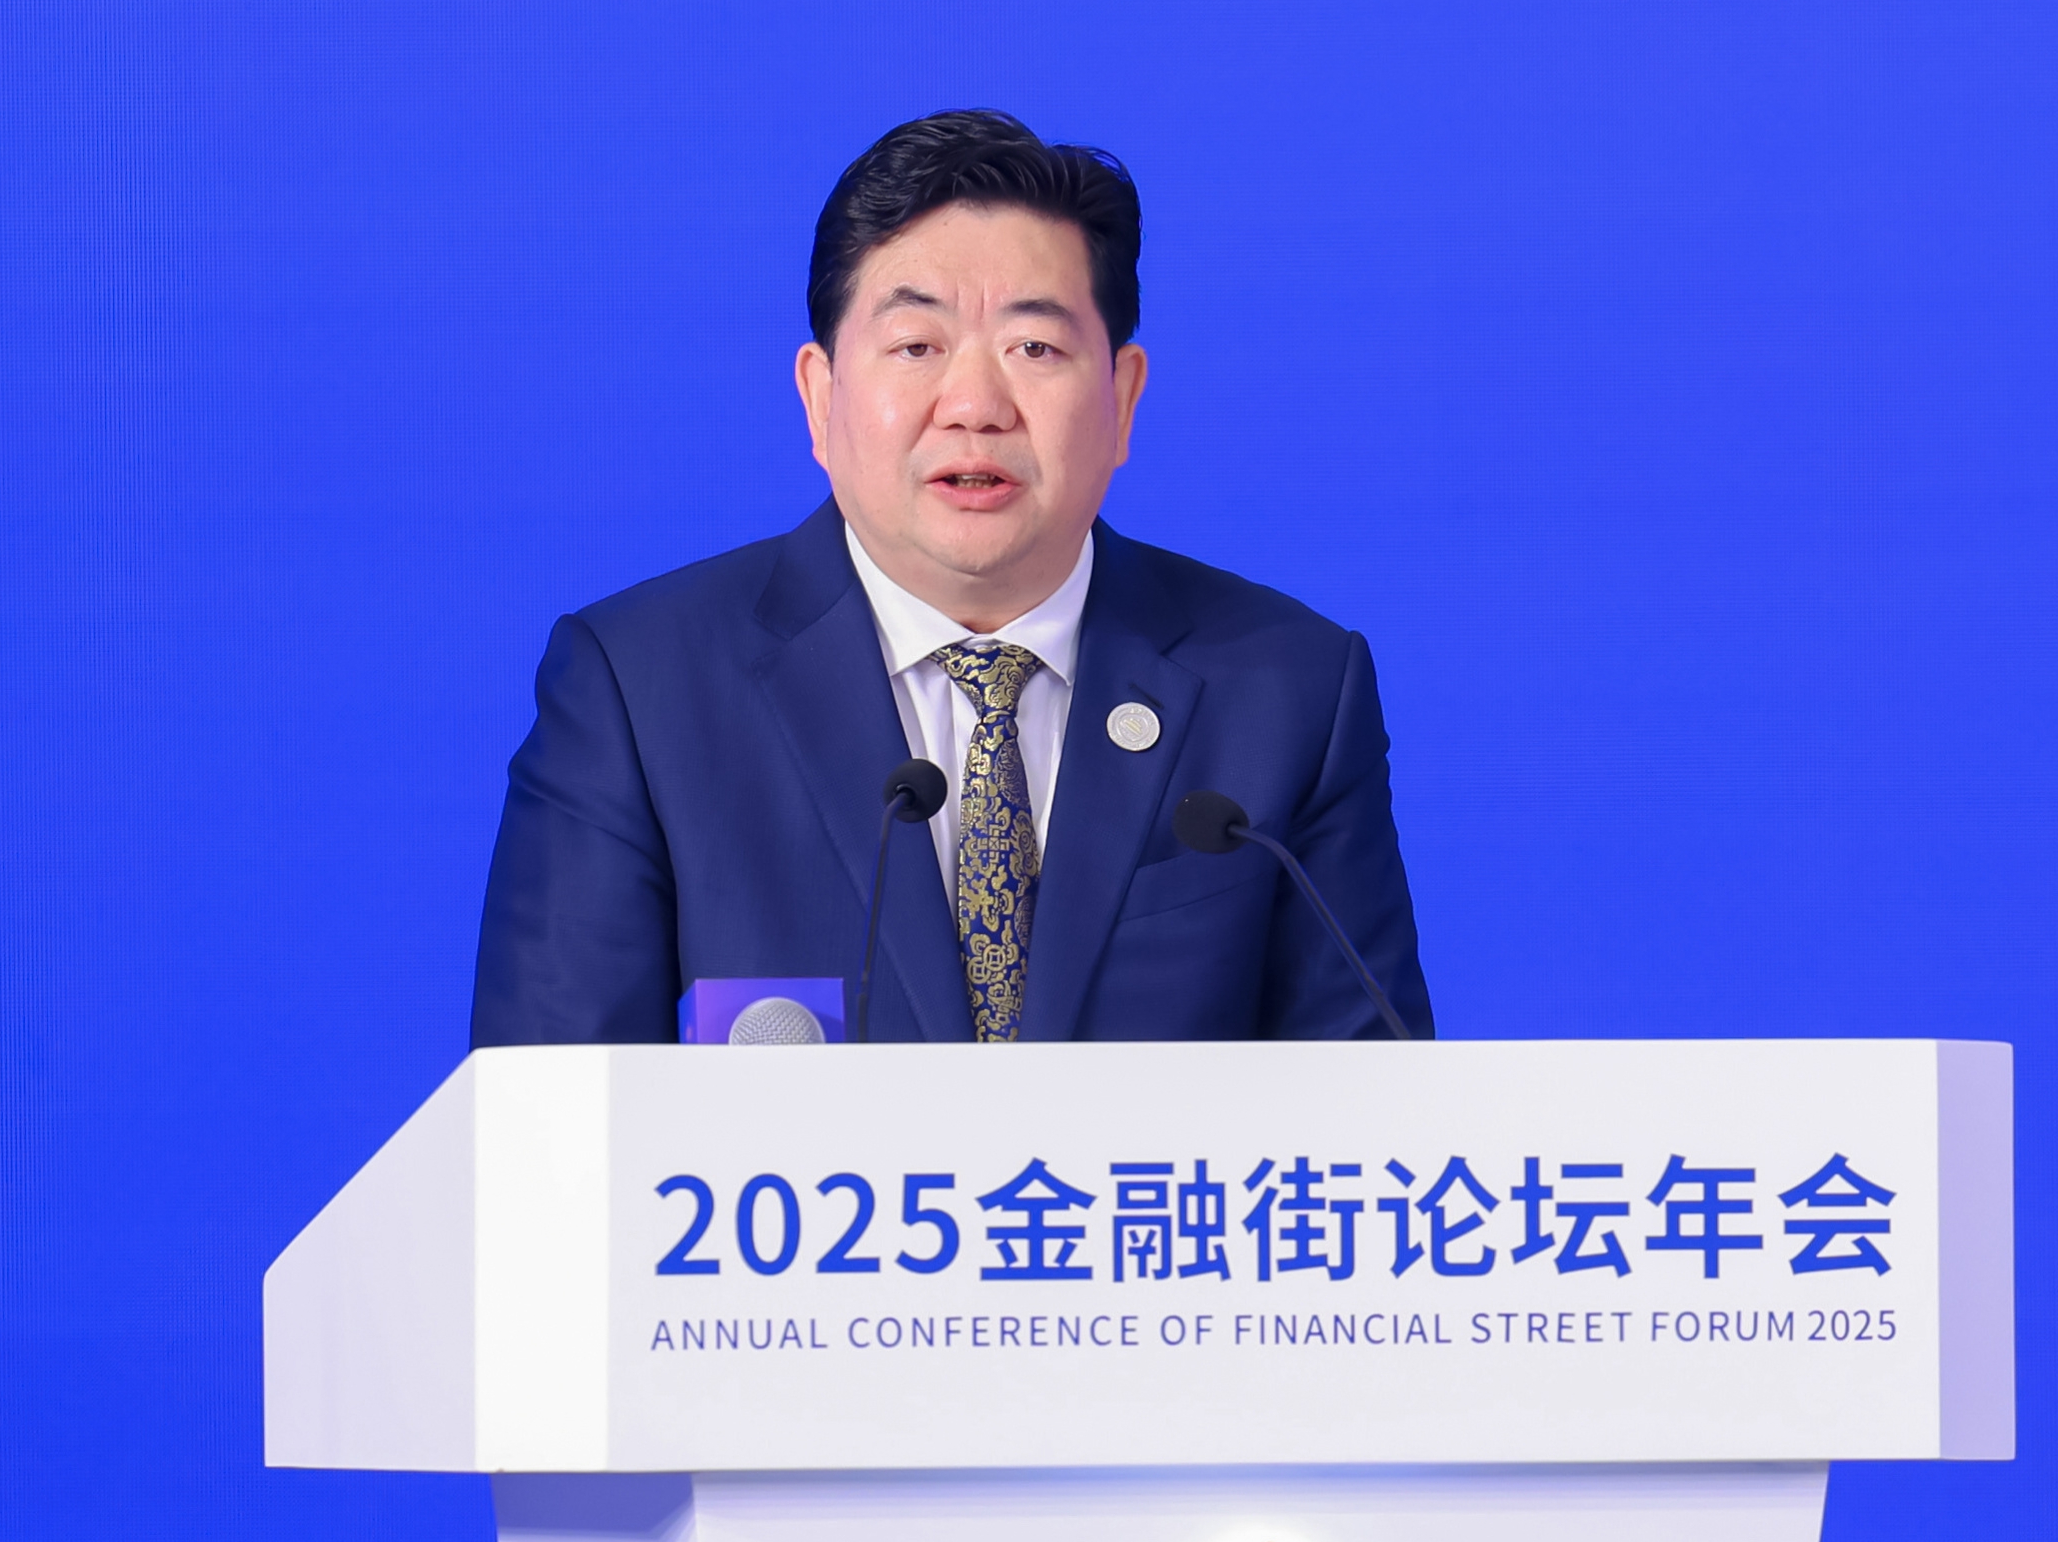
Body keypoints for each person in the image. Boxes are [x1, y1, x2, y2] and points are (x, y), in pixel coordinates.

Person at [471, 109, 1430, 1044]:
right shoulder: (642, 692)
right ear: (820, 397)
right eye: (917, 346)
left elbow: (1371, 1118)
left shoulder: (1288, 692)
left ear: (1123, 396)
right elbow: (548, 1118)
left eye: (1035, 348)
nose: (974, 405)